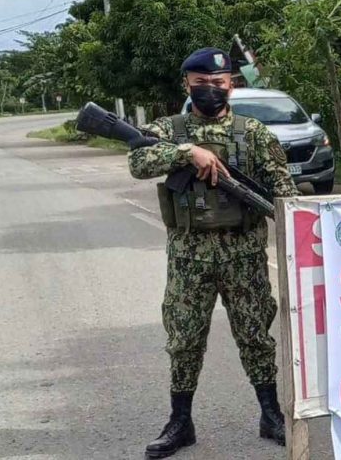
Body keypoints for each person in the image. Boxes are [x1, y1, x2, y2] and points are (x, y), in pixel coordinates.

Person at [128, 47, 299, 458]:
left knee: (256, 336)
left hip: (244, 255)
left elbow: (285, 194)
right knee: (184, 339)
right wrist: (187, 152)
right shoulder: (169, 128)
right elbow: (138, 160)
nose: (210, 90)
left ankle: (270, 413)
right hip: (189, 256)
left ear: (231, 85)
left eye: (218, 83)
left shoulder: (254, 133)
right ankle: (180, 422)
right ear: (187, 84)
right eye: (200, 83)